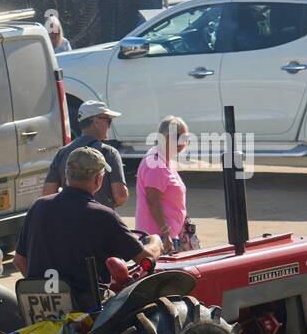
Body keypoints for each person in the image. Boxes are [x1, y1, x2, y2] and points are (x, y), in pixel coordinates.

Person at [15, 147, 161, 310]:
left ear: (67, 174)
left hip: (37, 308)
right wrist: (155, 241)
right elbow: (146, 260)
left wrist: (48, 295)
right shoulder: (104, 216)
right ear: (98, 179)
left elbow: (19, 260)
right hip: (87, 312)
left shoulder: (38, 207)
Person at [43, 100, 128, 208]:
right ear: (96, 121)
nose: (109, 126)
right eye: (108, 121)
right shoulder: (109, 153)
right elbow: (120, 196)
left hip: (69, 219)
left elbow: (48, 193)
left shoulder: (62, 152)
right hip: (99, 219)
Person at [136, 115, 196, 252]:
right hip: (159, 239)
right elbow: (153, 201)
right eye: (178, 137)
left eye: (185, 138)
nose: (182, 142)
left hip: (165, 236)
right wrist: (166, 233)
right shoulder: (156, 163)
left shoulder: (162, 159)